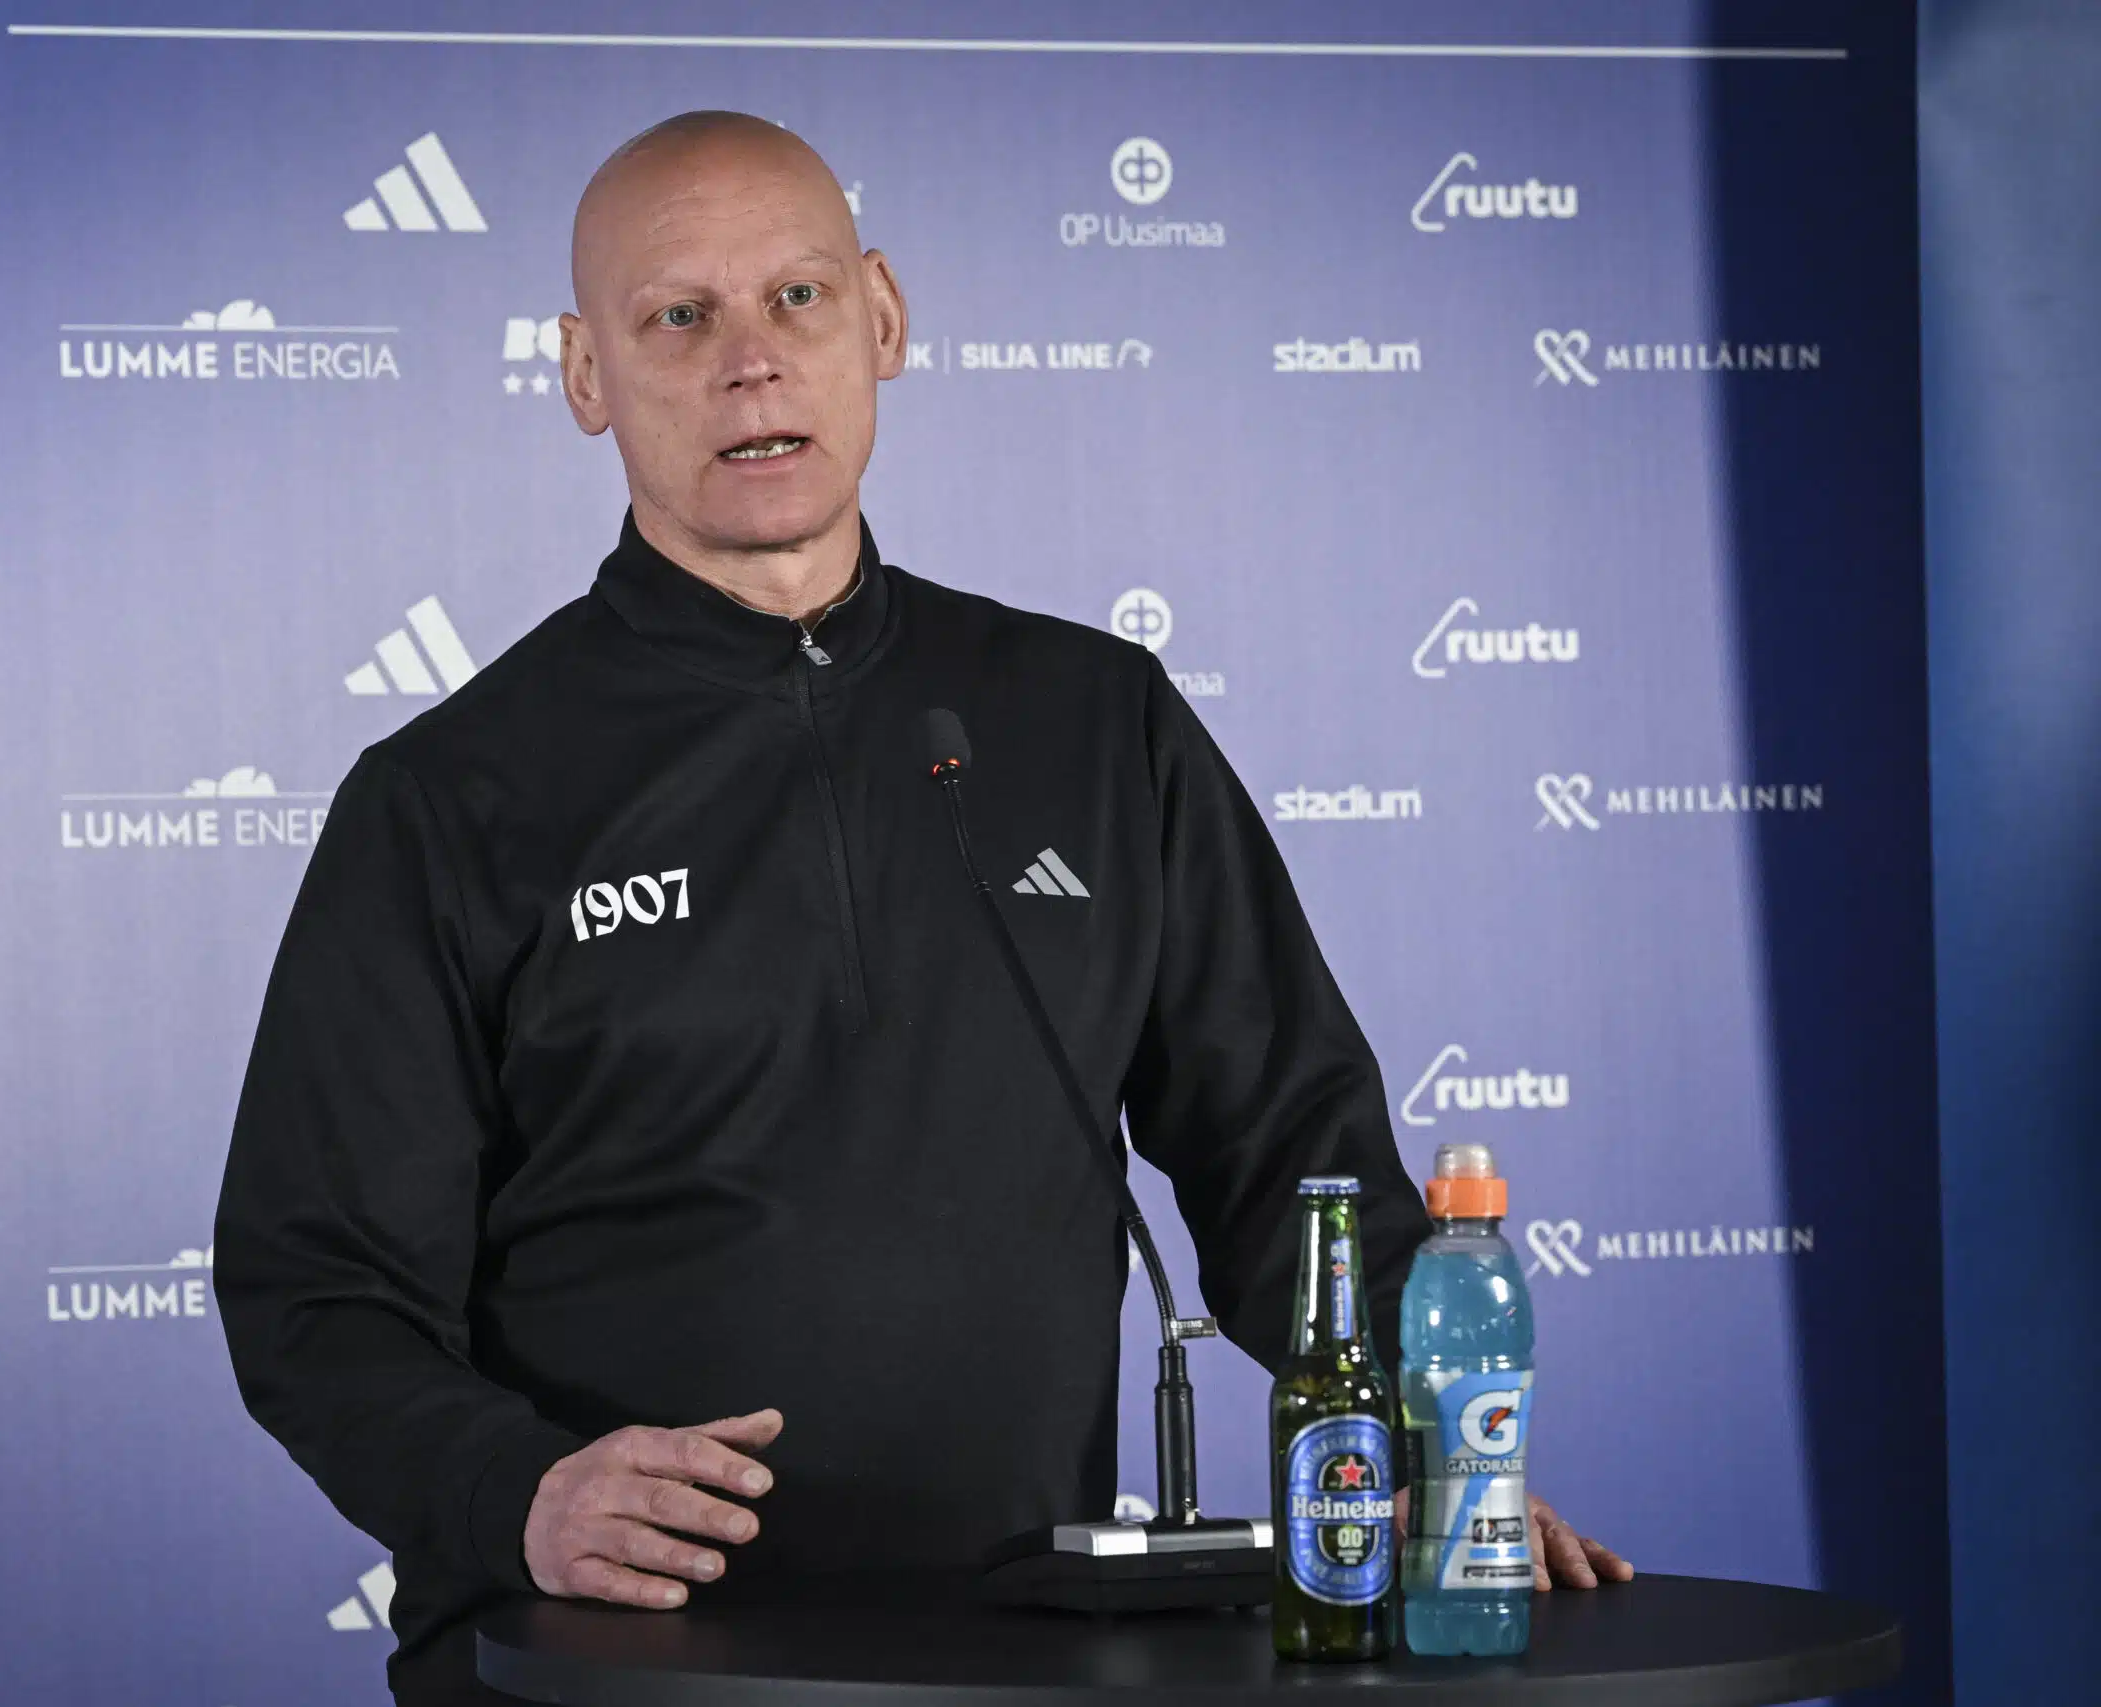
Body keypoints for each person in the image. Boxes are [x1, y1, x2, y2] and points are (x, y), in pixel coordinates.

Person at [215, 110, 1630, 1701]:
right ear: (585, 373)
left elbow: (1292, 1157)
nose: (752, 360)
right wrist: (519, 1493)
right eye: (679, 316)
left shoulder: (1098, 722)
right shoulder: (449, 794)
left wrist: (1438, 1457)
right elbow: (318, 1286)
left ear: (881, 317)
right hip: (606, 1662)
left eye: (798, 298)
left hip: (1022, 1653)